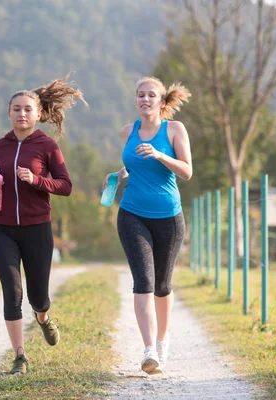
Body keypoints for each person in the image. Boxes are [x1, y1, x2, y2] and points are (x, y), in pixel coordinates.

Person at [0, 76, 86, 375]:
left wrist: (36, 180)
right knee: (12, 292)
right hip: (1, 228)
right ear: (8, 113)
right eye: (16, 109)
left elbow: (66, 186)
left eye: (28, 109)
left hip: (37, 229)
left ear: (38, 113)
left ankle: (43, 318)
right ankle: (20, 356)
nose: (22, 114)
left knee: (37, 296)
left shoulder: (48, 146)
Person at [106, 76, 192, 374]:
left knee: (162, 285)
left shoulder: (174, 130)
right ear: (135, 100)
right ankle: (148, 350)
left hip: (169, 216)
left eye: (151, 95)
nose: (145, 99)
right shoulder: (128, 131)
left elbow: (187, 171)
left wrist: (159, 154)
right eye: (140, 94)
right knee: (143, 282)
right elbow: (133, 165)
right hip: (132, 213)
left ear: (161, 101)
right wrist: (117, 176)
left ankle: (163, 341)